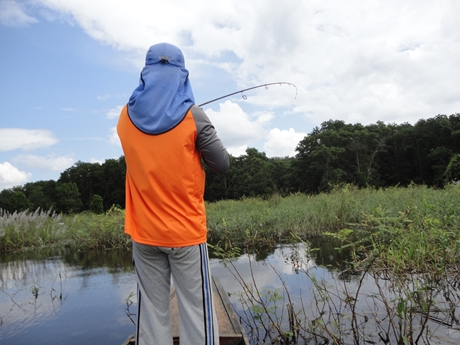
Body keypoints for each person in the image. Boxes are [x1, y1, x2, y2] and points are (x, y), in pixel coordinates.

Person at [117, 42, 230, 345]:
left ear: (146, 72)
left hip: (143, 235)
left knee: (152, 313)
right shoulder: (195, 116)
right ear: (182, 74)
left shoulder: (124, 118)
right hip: (185, 234)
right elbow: (222, 164)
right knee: (196, 310)